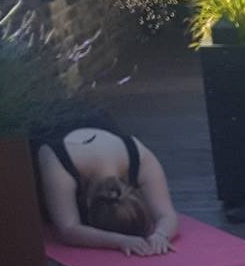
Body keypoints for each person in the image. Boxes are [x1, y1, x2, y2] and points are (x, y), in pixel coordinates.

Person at [32, 109, 179, 256]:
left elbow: (167, 215)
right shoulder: (58, 161)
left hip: (90, 117)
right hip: (40, 121)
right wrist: (119, 241)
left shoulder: (137, 155)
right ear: (88, 203)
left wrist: (161, 234)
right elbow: (68, 229)